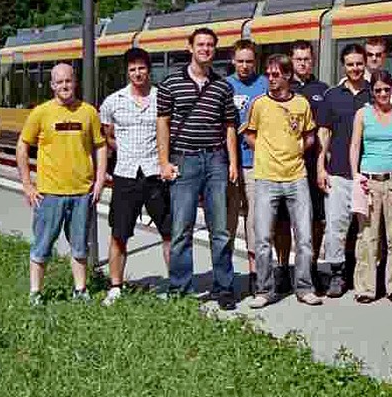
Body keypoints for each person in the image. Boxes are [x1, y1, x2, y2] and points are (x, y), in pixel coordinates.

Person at [156, 27, 239, 309]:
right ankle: (180, 287)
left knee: (221, 230)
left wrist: (232, 164)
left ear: (215, 50)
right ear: (190, 47)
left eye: (210, 45)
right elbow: (163, 124)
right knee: (182, 229)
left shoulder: (223, 86)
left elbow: (229, 127)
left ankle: (224, 287)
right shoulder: (170, 84)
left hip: (216, 160)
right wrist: (164, 162)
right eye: (200, 44)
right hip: (184, 159)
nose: (205, 49)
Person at [18, 63, 106, 304]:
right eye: (59, 82)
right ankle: (35, 293)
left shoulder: (88, 112)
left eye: (68, 81)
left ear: (75, 82)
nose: (65, 86)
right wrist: (27, 184)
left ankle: (80, 290)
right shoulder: (40, 113)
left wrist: (99, 181)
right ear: (52, 86)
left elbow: (100, 146)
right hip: (49, 194)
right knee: (42, 245)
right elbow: (23, 146)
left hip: (82, 192)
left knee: (79, 246)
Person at [244, 54, 321, 308]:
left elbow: (310, 135)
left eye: (276, 74)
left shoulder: (302, 104)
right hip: (266, 177)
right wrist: (265, 151)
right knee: (263, 237)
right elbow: (249, 135)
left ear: (287, 76)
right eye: (268, 74)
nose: (271, 78)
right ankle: (265, 290)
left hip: (297, 177)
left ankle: (304, 288)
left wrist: (300, 148)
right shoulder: (259, 104)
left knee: (305, 238)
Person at [99, 48, 169, 306]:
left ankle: (175, 285)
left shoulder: (163, 98)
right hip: (126, 175)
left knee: (169, 232)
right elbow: (107, 136)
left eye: (141, 68)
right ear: (127, 72)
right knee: (119, 233)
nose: (137, 73)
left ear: (149, 69)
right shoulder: (112, 101)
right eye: (132, 69)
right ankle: (116, 286)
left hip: (155, 174)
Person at [348, 70, 392, 303]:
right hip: (369, 182)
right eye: (378, 90)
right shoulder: (362, 114)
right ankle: (366, 288)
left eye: (387, 89)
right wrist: (356, 175)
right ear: (372, 92)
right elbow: (355, 145)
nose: (383, 93)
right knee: (367, 236)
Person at [314, 43, 371, 297]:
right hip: (337, 170)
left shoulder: (375, 93)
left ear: (365, 64)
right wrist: (320, 166)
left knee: (365, 229)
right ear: (343, 66)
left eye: (359, 63)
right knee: (336, 226)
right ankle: (337, 273)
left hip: (367, 172)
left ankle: (361, 272)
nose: (355, 68)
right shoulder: (332, 96)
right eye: (351, 64)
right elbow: (323, 131)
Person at [226, 39, 267, 289]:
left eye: (249, 61)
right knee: (228, 220)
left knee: (255, 221)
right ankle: (227, 273)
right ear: (233, 61)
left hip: (256, 164)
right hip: (229, 164)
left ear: (255, 62)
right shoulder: (223, 86)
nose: (244, 66)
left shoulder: (264, 85)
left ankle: (255, 275)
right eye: (240, 61)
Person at [290, 39, 329, 291]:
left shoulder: (322, 89)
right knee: (287, 219)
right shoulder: (282, 86)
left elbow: (325, 129)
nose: (303, 63)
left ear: (312, 60)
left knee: (316, 219)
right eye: (298, 59)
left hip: (314, 163)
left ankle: (311, 265)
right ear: (292, 61)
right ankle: (288, 267)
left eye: (306, 59)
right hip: (287, 166)